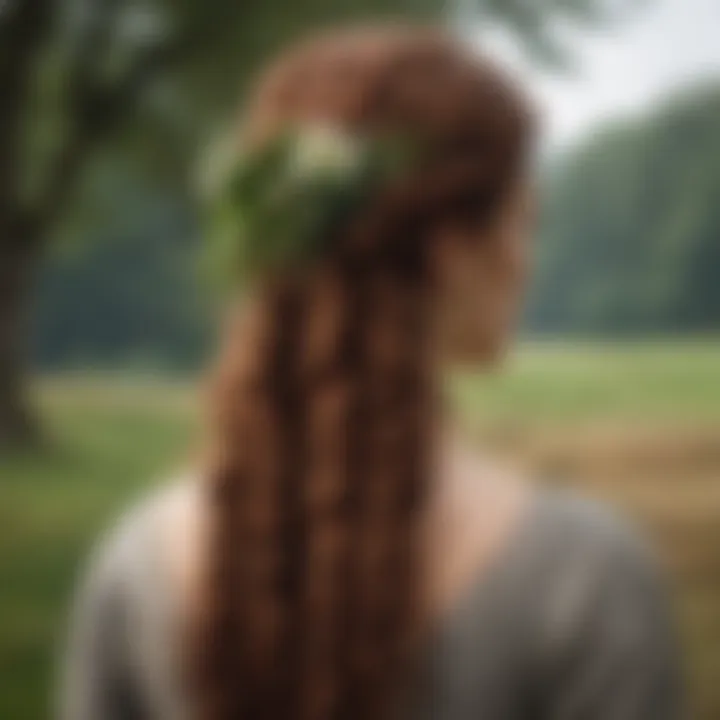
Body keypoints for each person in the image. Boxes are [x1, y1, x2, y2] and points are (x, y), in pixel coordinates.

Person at [59, 25, 681, 720]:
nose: (523, 261)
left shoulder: (136, 569)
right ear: (450, 251)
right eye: (520, 223)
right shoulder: (581, 578)